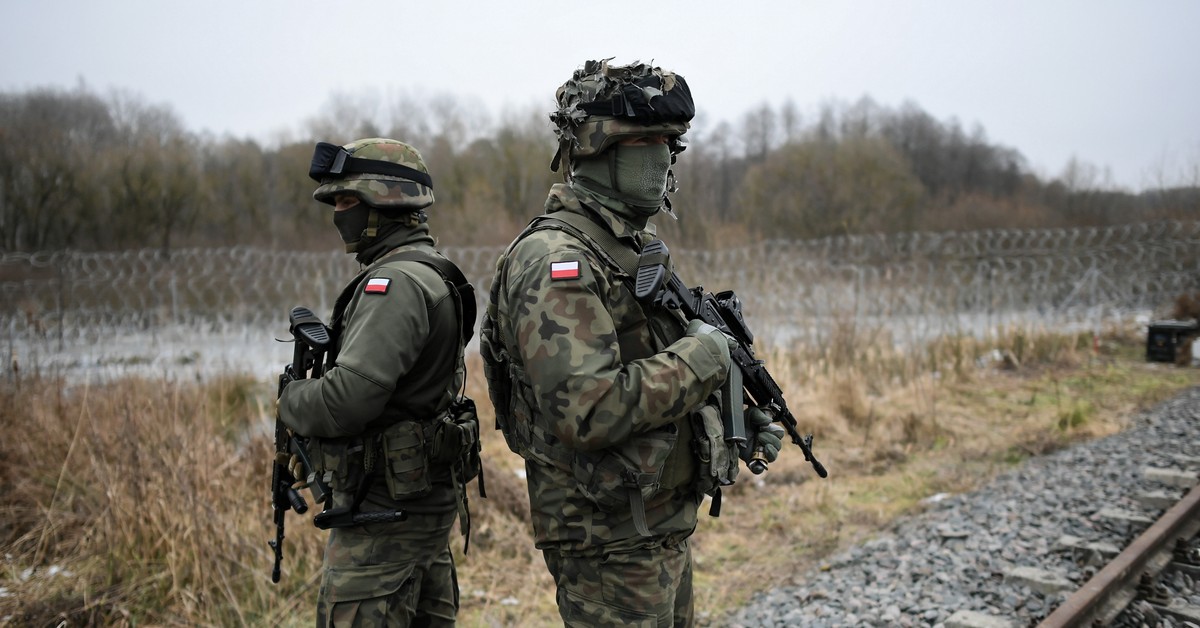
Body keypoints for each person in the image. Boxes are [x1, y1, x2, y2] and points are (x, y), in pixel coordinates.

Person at [479, 60, 785, 626]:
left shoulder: (626, 249)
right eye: (645, 140)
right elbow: (589, 409)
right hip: (606, 541)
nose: (663, 157)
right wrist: (705, 358)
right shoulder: (557, 262)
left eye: (670, 142)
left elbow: (648, 366)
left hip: (653, 526)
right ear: (594, 149)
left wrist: (730, 414)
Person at [278, 137, 481, 627]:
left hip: (383, 513)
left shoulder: (394, 284)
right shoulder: (434, 272)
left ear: (385, 202)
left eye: (348, 201)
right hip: (414, 507)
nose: (339, 214)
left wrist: (290, 399)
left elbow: (349, 400)